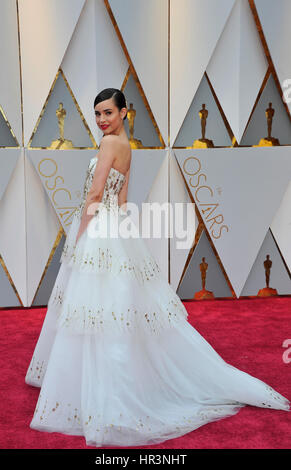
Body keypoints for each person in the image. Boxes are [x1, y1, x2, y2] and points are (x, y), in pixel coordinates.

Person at [25, 88, 290, 448]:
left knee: (92, 309)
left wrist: (79, 238)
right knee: (113, 309)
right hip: (113, 226)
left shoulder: (107, 146)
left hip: (96, 226)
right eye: (97, 114)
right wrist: (119, 233)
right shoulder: (126, 145)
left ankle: (98, 392)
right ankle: (109, 379)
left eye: (107, 112)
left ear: (123, 112)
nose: (102, 119)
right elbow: (122, 199)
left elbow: (94, 193)